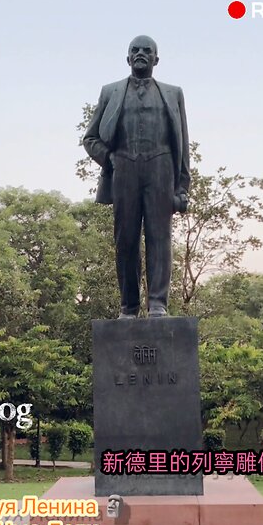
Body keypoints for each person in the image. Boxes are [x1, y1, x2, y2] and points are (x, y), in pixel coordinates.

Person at [83, 35, 191, 319]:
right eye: (135, 50)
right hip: (125, 169)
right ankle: (128, 307)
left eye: (147, 50)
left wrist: (182, 186)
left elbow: (182, 145)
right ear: (127, 58)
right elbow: (90, 138)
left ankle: (158, 303)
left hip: (161, 167)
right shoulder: (110, 92)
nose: (140, 53)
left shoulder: (173, 93)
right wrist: (110, 159)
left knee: (160, 238)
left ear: (156, 59)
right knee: (126, 239)